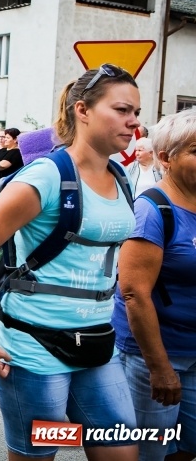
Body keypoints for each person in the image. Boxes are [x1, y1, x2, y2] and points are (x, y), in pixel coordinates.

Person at [0, 64, 141, 460]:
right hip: (35, 349)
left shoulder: (121, 176)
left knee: (123, 451)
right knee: (40, 454)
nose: (134, 122)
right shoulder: (46, 176)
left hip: (97, 342)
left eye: (136, 113)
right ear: (83, 110)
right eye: (122, 110)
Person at [112, 109, 196, 461]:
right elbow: (134, 293)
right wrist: (159, 367)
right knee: (150, 450)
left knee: (189, 443)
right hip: (156, 355)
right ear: (166, 158)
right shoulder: (152, 210)